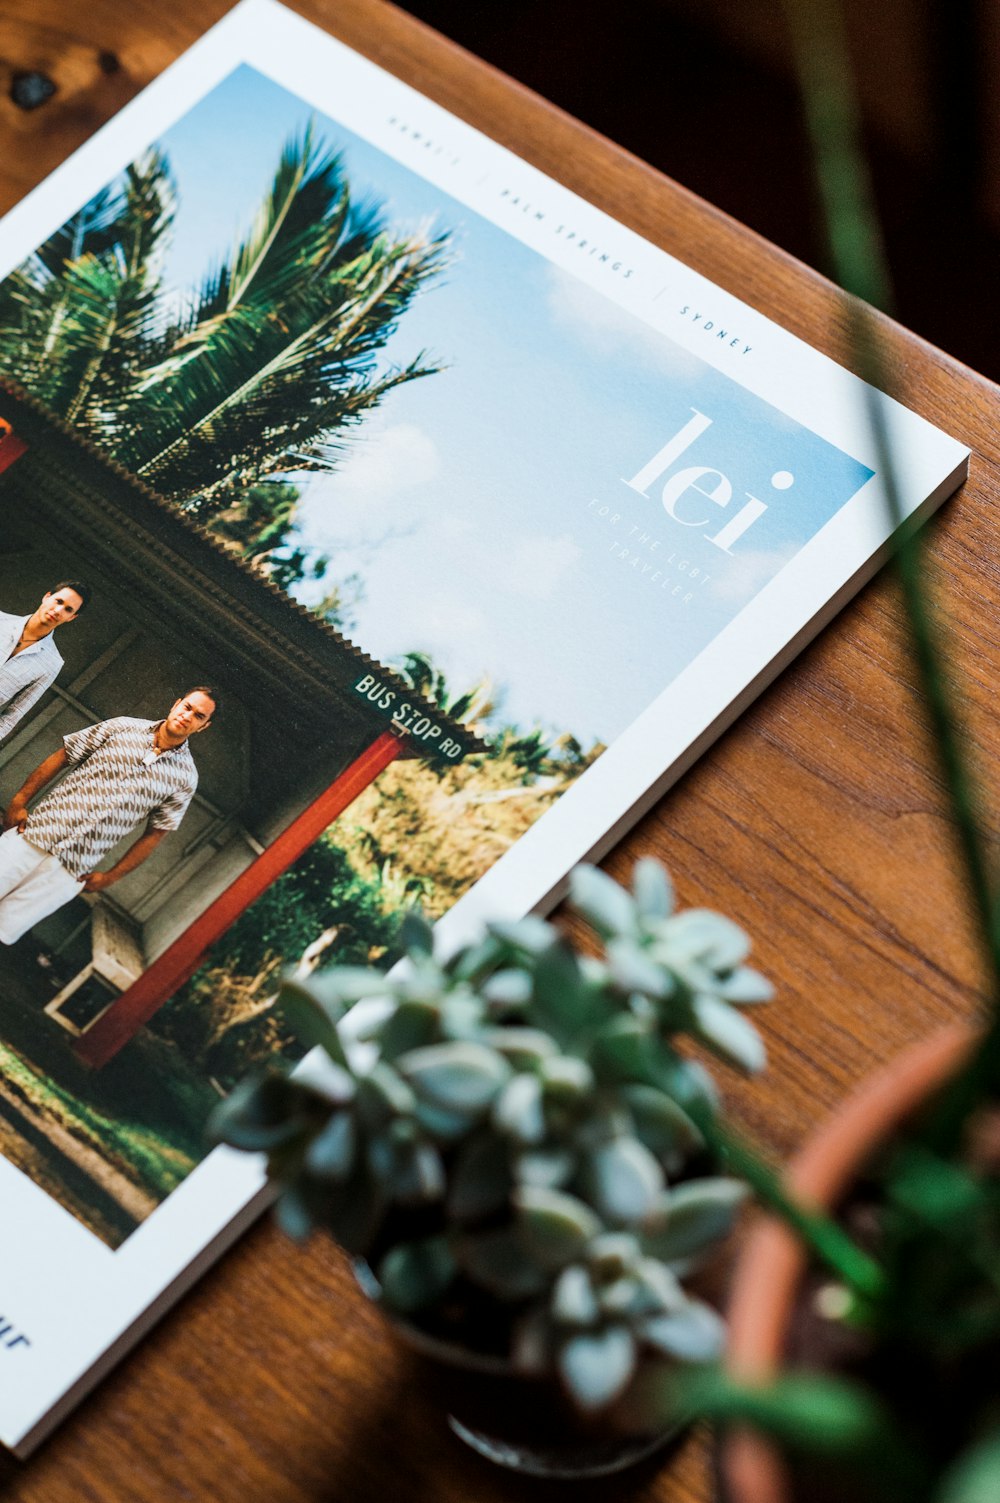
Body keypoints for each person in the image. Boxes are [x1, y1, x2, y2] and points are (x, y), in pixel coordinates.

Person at [0, 688, 217, 946]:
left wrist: (112, 876)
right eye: (187, 707)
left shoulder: (185, 778)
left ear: (204, 726)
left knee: (5, 928)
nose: (188, 716)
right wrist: (20, 800)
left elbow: (156, 833)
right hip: (35, 834)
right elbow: (64, 755)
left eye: (199, 716)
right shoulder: (122, 727)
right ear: (176, 704)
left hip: (69, 870)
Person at [0, 581, 90, 743]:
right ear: (47, 597)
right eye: (59, 601)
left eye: (68, 609)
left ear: (72, 617)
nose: (58, 610)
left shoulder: (52, 663)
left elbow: (14, 714)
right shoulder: (2, 621)